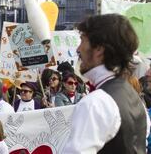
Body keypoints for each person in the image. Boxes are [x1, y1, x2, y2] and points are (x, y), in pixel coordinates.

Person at [63, 14, 149, 153]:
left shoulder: (95, 103)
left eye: (82, 41)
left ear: (99, 49)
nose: (78, 49)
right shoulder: (135, 98)